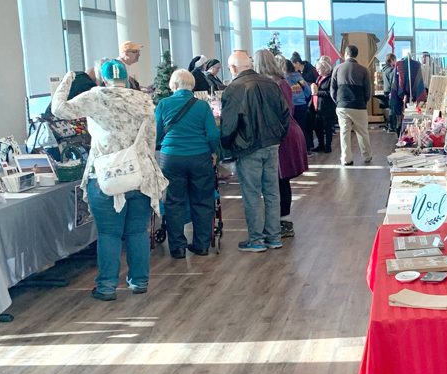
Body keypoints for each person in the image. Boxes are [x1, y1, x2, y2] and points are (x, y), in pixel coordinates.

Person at [52, 61, 166, 300]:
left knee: (109, 234)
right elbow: (151, 138)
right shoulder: (143, 100)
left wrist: (67, 79)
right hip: (141, 174)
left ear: (103, 80)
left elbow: (58, 109)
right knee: (137, 232)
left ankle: (106, 287)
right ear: (126, 78)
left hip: (107, 175)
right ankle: (139, 281)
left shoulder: (96, 97)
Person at [220, 50, 290, 252]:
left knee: (252, 193)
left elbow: (228, 124)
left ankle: (257, 240)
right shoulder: (271, 83)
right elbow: (285, 114)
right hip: (271, 144)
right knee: (271, 191)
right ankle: (274, 236)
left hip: (248, 147)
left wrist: (228, 145)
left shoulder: (234, 88)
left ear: (233, 68)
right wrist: (279, 136)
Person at [154, 69, 218, 259]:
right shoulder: (202, 106)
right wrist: (213, 151)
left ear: (173, 86)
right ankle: (202, 245)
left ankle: (177, 248)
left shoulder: (163, 104)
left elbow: (156, 133)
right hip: (200, 157)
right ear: (192, 86)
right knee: (203, 200)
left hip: (171, 158)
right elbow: (213, 134)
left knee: (174, 202)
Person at [256, 50, 309, 240]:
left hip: (281, 136)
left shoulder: (273, 85)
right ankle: (280, 220)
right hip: (288, 133)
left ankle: (279, 221)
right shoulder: (282, 82)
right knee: (280, 180)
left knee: (278, 180)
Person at [332, 45, 373, 165]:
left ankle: (346, 158)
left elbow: (332, 89)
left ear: (345, 53)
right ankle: (367, 156)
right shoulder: (364, 70)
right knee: (362, 132)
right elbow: (367, 91)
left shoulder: (337, 68)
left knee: (344, 132)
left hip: (342, 105)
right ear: (356, 54)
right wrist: (364, 102)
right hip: (359, 105)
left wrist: (338, 101)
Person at [284, 58, 312, 152]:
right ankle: (306, 149)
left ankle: (297, 150)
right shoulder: (299, 77)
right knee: (302, 127)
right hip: (302, 105)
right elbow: (307, 90)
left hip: (292, 106)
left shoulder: (285, 79)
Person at [394, 52, 425, 136]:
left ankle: (406, 132)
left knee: (402, 116)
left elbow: (418, 81)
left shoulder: (416, 65)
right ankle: (405, 132)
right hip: (406, 97)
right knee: (402, 116)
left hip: (408, 96)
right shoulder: (400, 65)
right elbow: (399, 82)